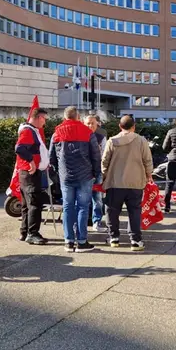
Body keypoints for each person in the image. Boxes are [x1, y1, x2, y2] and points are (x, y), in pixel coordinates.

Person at [50, 106, 101, 253]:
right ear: (78, 117)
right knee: (83, 207)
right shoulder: (87, 132)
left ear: (65, 117)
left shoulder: (57, 133)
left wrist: (57, 173)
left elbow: (51, 157)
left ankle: (68, 241)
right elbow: (95, 155)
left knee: (67, 207)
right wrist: (96, 173)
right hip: (85, 175)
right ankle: (82, 241)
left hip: (66, 176)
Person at [101, 115, 153, 252]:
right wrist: (149, 175)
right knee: (134, 211)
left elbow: (104, 161)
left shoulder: (112, 141)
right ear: (134, 126)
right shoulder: (141, 141)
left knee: (112, 211)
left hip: (115, 182)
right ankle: (135, 240)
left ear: (120, 126)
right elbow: (147, 160)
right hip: (135, 182)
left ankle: (113, 238)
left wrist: (105, 175)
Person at [15, 108, 50, 244]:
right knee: (35, 203)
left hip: (26, 172)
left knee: (26, 205)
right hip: (30, 172)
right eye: (44, 119)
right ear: (39, 117)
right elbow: (19, 148)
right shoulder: (28, 131)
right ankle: (32, 233)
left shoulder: (29, 130)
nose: (45, 123)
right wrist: (31, 161)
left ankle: (25, 232)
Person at [84, 115, 108, 233]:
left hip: (97, 172)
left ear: (97, 124)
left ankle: (96, 221)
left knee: (97, 199)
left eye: (93, 123)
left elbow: (104, 155)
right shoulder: (80, 137)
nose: (90, 126)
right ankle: (83, 223)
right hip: (83, 173)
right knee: (83, 199)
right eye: (88, 123)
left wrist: (103, 172)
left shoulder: (101, 137)